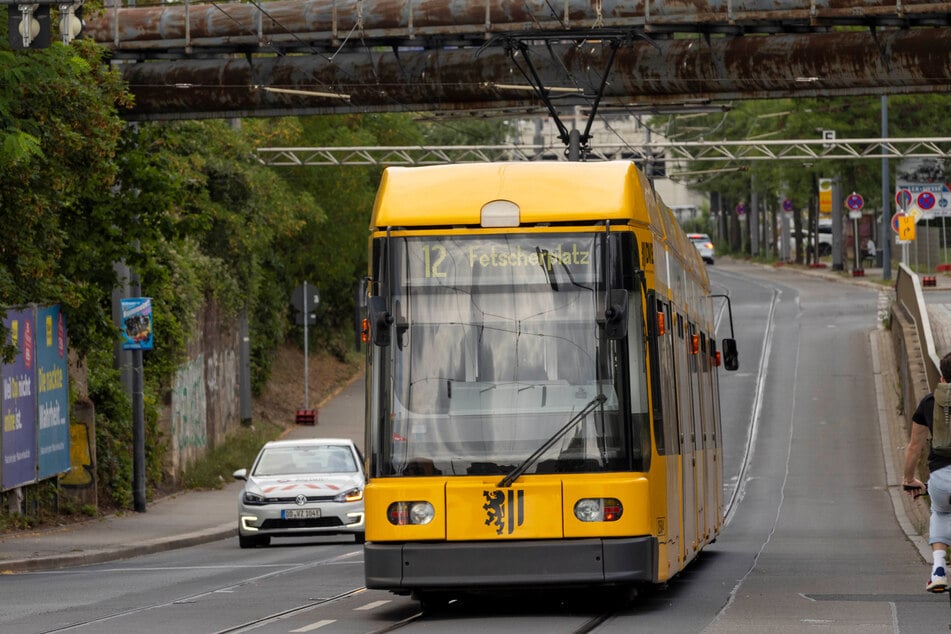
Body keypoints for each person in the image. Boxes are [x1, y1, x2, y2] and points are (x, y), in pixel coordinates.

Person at [903, 351, 951, 593]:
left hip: (941, 476)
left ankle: (939, 569)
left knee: (941, 513)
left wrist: (909, 479)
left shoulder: (929, 403)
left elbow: (914, 447)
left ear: (942, 377)